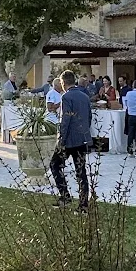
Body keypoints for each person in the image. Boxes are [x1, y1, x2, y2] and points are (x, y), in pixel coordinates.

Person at [49, 73, 93, 210]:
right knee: (81, 171)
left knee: (55, 164)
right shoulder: (85, 97)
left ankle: (65, 196)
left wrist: (61, 138)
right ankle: (83, 204)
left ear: (63, 82)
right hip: (82, 138)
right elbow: (89, 117)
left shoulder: (66, 97)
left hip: (69, 139)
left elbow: (65, 119)